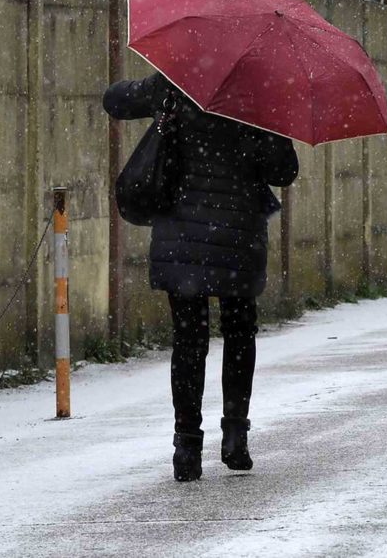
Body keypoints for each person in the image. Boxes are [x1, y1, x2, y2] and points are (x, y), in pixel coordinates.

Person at [103, 72, 299, 482]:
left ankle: (187, 445)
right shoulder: (260, 93)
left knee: (189, 339)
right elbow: (283, 171)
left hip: (182, 235)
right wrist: (268, 124)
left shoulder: (177, 80)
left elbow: (114, 101)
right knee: (239, 333)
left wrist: (157, 93)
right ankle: (235, 434)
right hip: (237, 237)